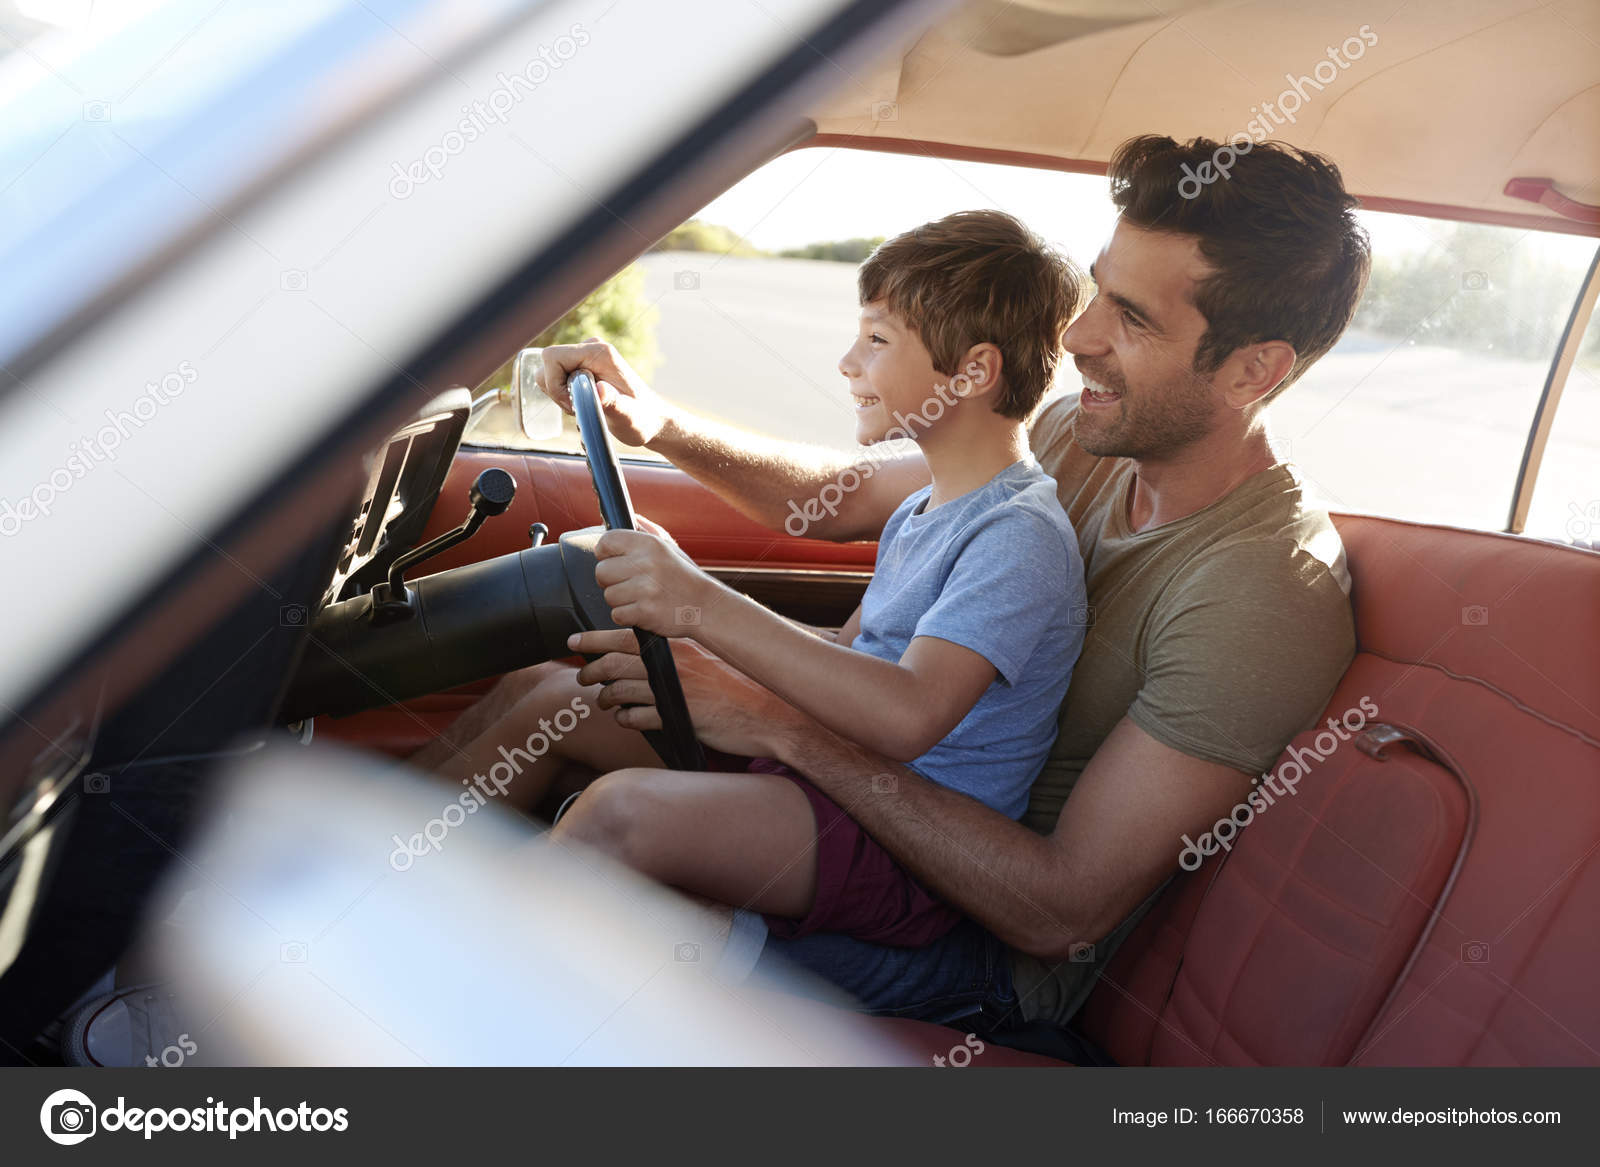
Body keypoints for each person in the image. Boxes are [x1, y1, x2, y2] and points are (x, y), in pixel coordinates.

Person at [418, 135, 1370, 1038]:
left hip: (968, 953)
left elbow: (1057, 911)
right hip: (868, 804)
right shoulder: (1075, 441)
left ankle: (414, 1016)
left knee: (618, 823)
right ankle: (356, 900)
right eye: (1096, 293)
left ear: (1255, 369)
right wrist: (654, 422)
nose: (1079, 335)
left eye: (1133, 316)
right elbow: (839, 501)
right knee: (546, 695)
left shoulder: (1263, 592)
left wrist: (771, 715)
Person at [442, 210, 1089, 947]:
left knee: (617, 813)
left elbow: (908, 715)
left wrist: (699, 603)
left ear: (973, 371)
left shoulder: (1018, 534)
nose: (849, 362)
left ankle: (449, 981)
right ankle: (371, 885)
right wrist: (700, 631)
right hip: (832, 777)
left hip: (899, 836)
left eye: (877, 340)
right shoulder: (925, 504)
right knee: (549, 692)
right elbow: (850, 658)